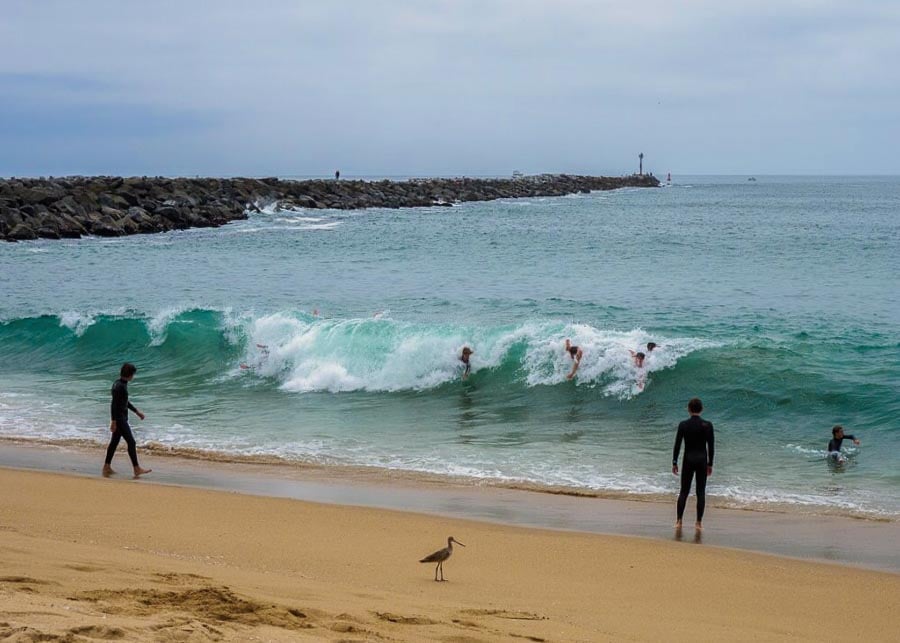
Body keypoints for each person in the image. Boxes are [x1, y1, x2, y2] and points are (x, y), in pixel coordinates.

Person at [672, 397, 714, 531]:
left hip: (688, 460)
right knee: (700, 493)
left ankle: (679, 521)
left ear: (688, 409)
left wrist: (674, 462)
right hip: (702, 461)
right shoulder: (707, 425)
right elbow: (711, 447)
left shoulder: (683, 425)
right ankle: (698, 523)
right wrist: (710, 464)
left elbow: (677, 445)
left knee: (684, 491)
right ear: (701, 409)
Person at [103, 362, 151, 478]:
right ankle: (136, 468)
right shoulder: (120, 387)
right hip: (119, 419)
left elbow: (124, 402)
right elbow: (114, 405)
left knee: (114, 442)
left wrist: (136, 411)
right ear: (130, 374)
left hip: (121, 418)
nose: (133, 376)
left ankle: (106, 466)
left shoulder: (118, 383)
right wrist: (113, 421)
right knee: (131, 442)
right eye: (133, 374)